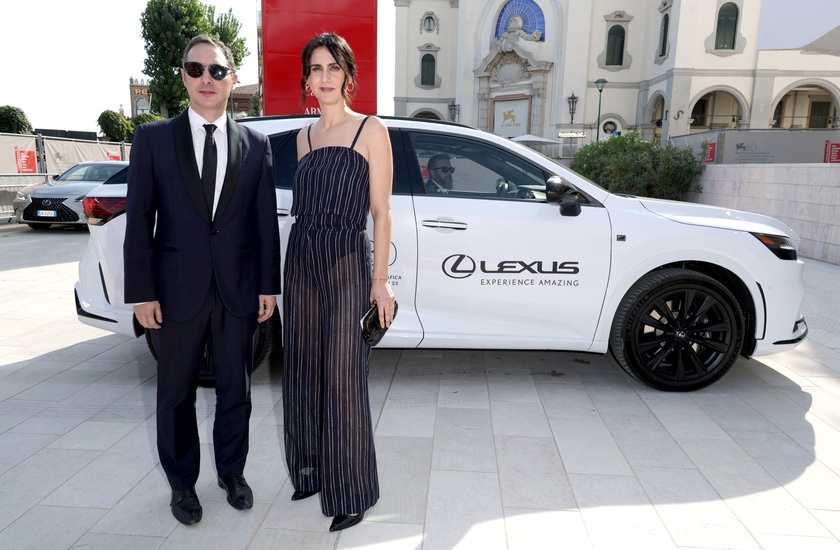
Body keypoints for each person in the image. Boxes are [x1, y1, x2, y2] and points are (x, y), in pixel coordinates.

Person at [123, 34, 281, 526]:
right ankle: (181, 485)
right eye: (195, 69)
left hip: (237, 291)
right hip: (173, 293)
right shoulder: (152, 139)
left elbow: (263, 223)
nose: (206, 79)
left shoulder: (256, 144)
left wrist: (267, 285)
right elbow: (138, 223)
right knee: (175, 395)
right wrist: (141, 292)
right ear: (184, 77)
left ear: (233, 78)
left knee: (237, 390)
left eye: (216, 70)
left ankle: (232, 474)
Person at [282, 32, 395, 533]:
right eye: (315, 69)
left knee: (345, 375)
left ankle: (352, 489)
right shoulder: (301, 138)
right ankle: (309, 470)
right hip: (302, 254)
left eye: (332, 68)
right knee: (303, 365)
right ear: (306, 79)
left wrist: (380, 282)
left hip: (348, 256)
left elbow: (381, 211)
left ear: (348, 75)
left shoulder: (370, 130)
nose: (323, 78)